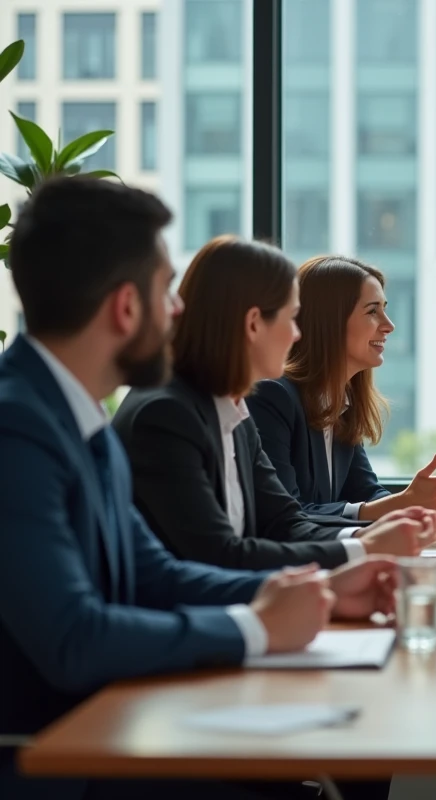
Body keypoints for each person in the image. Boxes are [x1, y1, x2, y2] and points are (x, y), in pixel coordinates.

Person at [0, 177, 406, 800]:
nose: (179, 311)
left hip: (113, 721)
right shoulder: (18, 428)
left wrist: (323, 592)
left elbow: (155, 574)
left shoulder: (76, 417)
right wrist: (257, 628)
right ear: (126, 307)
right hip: (60, 757)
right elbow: (74, 639)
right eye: (168, 289)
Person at [114, 237, 436, 571]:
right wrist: (362, 550)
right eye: (292, 318)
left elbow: (286, 523)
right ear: (254, 323)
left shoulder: (233, 412)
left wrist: (367, 541)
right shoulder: (167, 415)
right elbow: (219, 556)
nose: (298, 334)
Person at [246, 255, 436, 523]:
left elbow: (365, 491)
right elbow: (287, 516)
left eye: (384, 309)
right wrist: (402, 505)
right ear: (330, 321)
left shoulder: (341, 402)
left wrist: (415, 511)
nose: (389, 325)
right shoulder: (273, 397)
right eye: (373, 311)